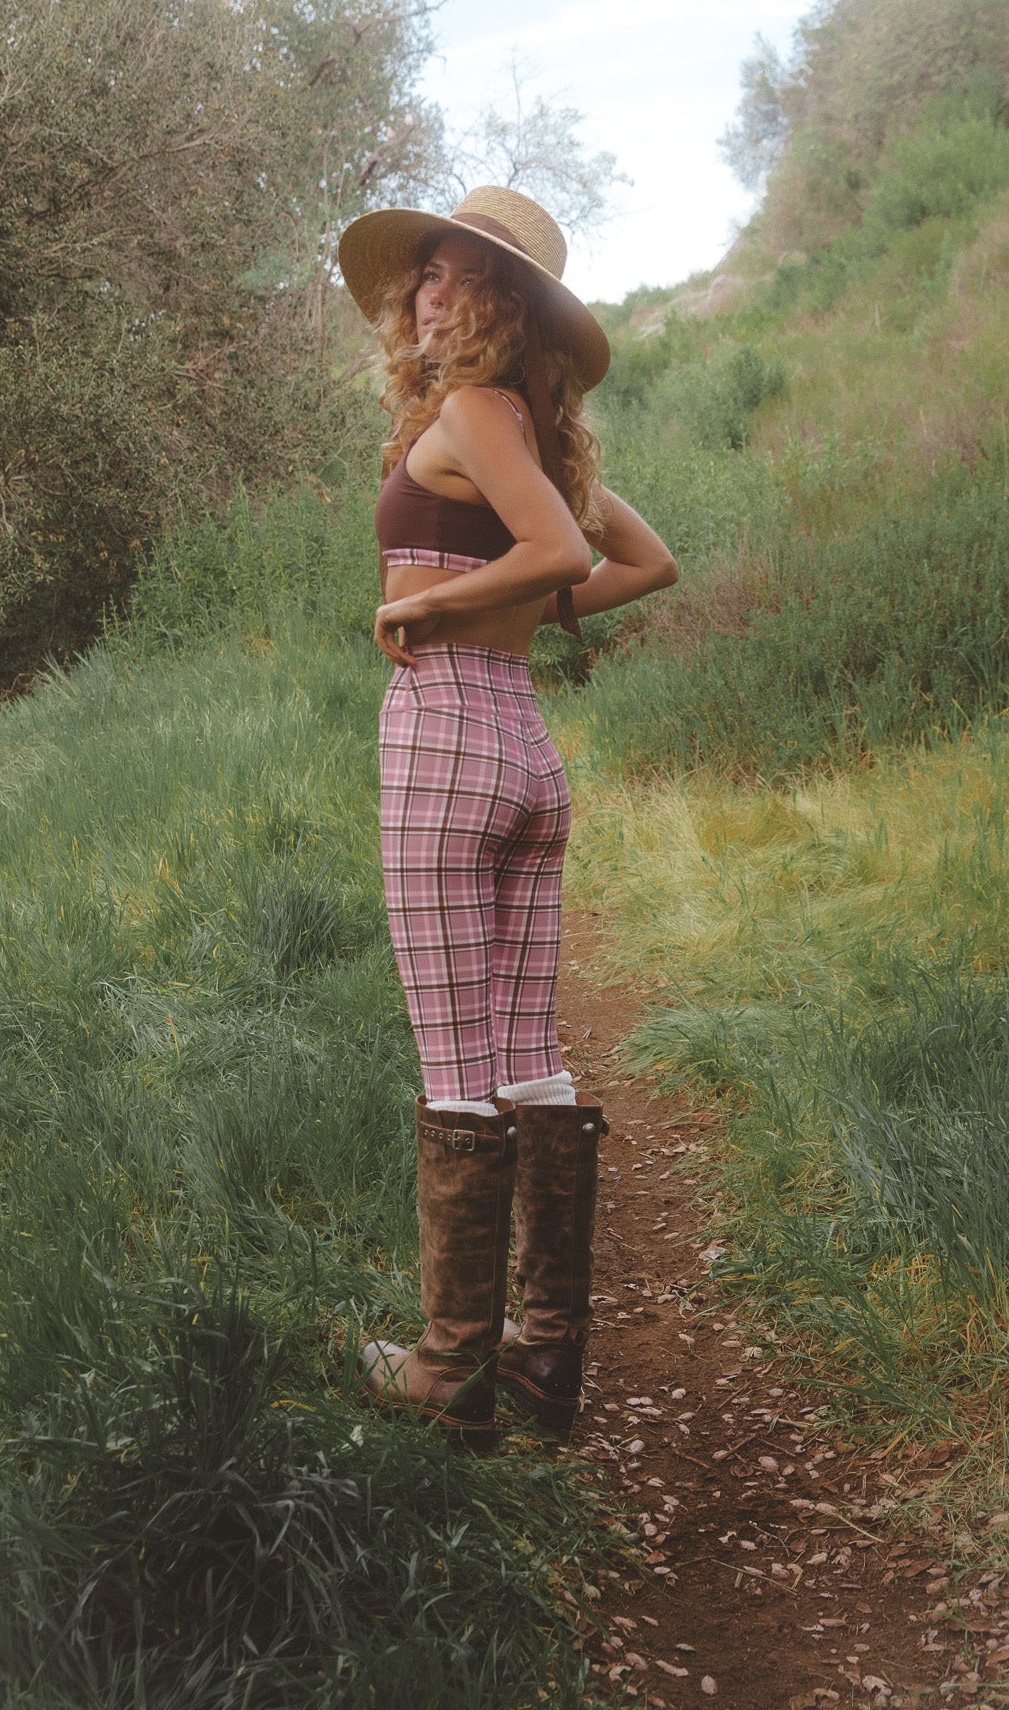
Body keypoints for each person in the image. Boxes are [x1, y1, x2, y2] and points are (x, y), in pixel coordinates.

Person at [338, 186, 678, 1447]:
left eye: (452, 276)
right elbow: (645, 561)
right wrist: (518, 602)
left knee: (454, 1064)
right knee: (527, 1052)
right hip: (526, 747)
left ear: (501, 302)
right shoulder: (531, 432)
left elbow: (564, 556)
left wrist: (428, 605)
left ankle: (449, 1367)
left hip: (445, 734)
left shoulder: (476, 413)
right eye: (421, 274)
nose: (425, 295)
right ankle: (543, 1367)